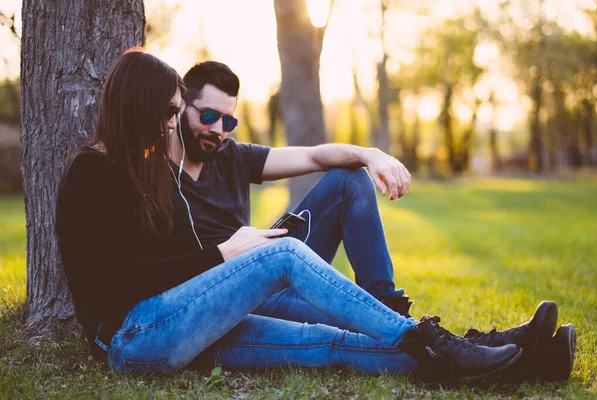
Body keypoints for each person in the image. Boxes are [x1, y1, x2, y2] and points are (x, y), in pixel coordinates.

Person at [55, 49, 559, 385]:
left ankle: (520, 360)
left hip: (187, 325)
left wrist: (366, 154)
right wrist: (226, 253)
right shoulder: (91, 174)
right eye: (171, 112)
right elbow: (118, 286)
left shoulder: (147, 171)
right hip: (133, 339)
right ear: (140, 107)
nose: (171, 125)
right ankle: (435, 340)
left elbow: (317, 158)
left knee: (330, 342)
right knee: (285, 255)